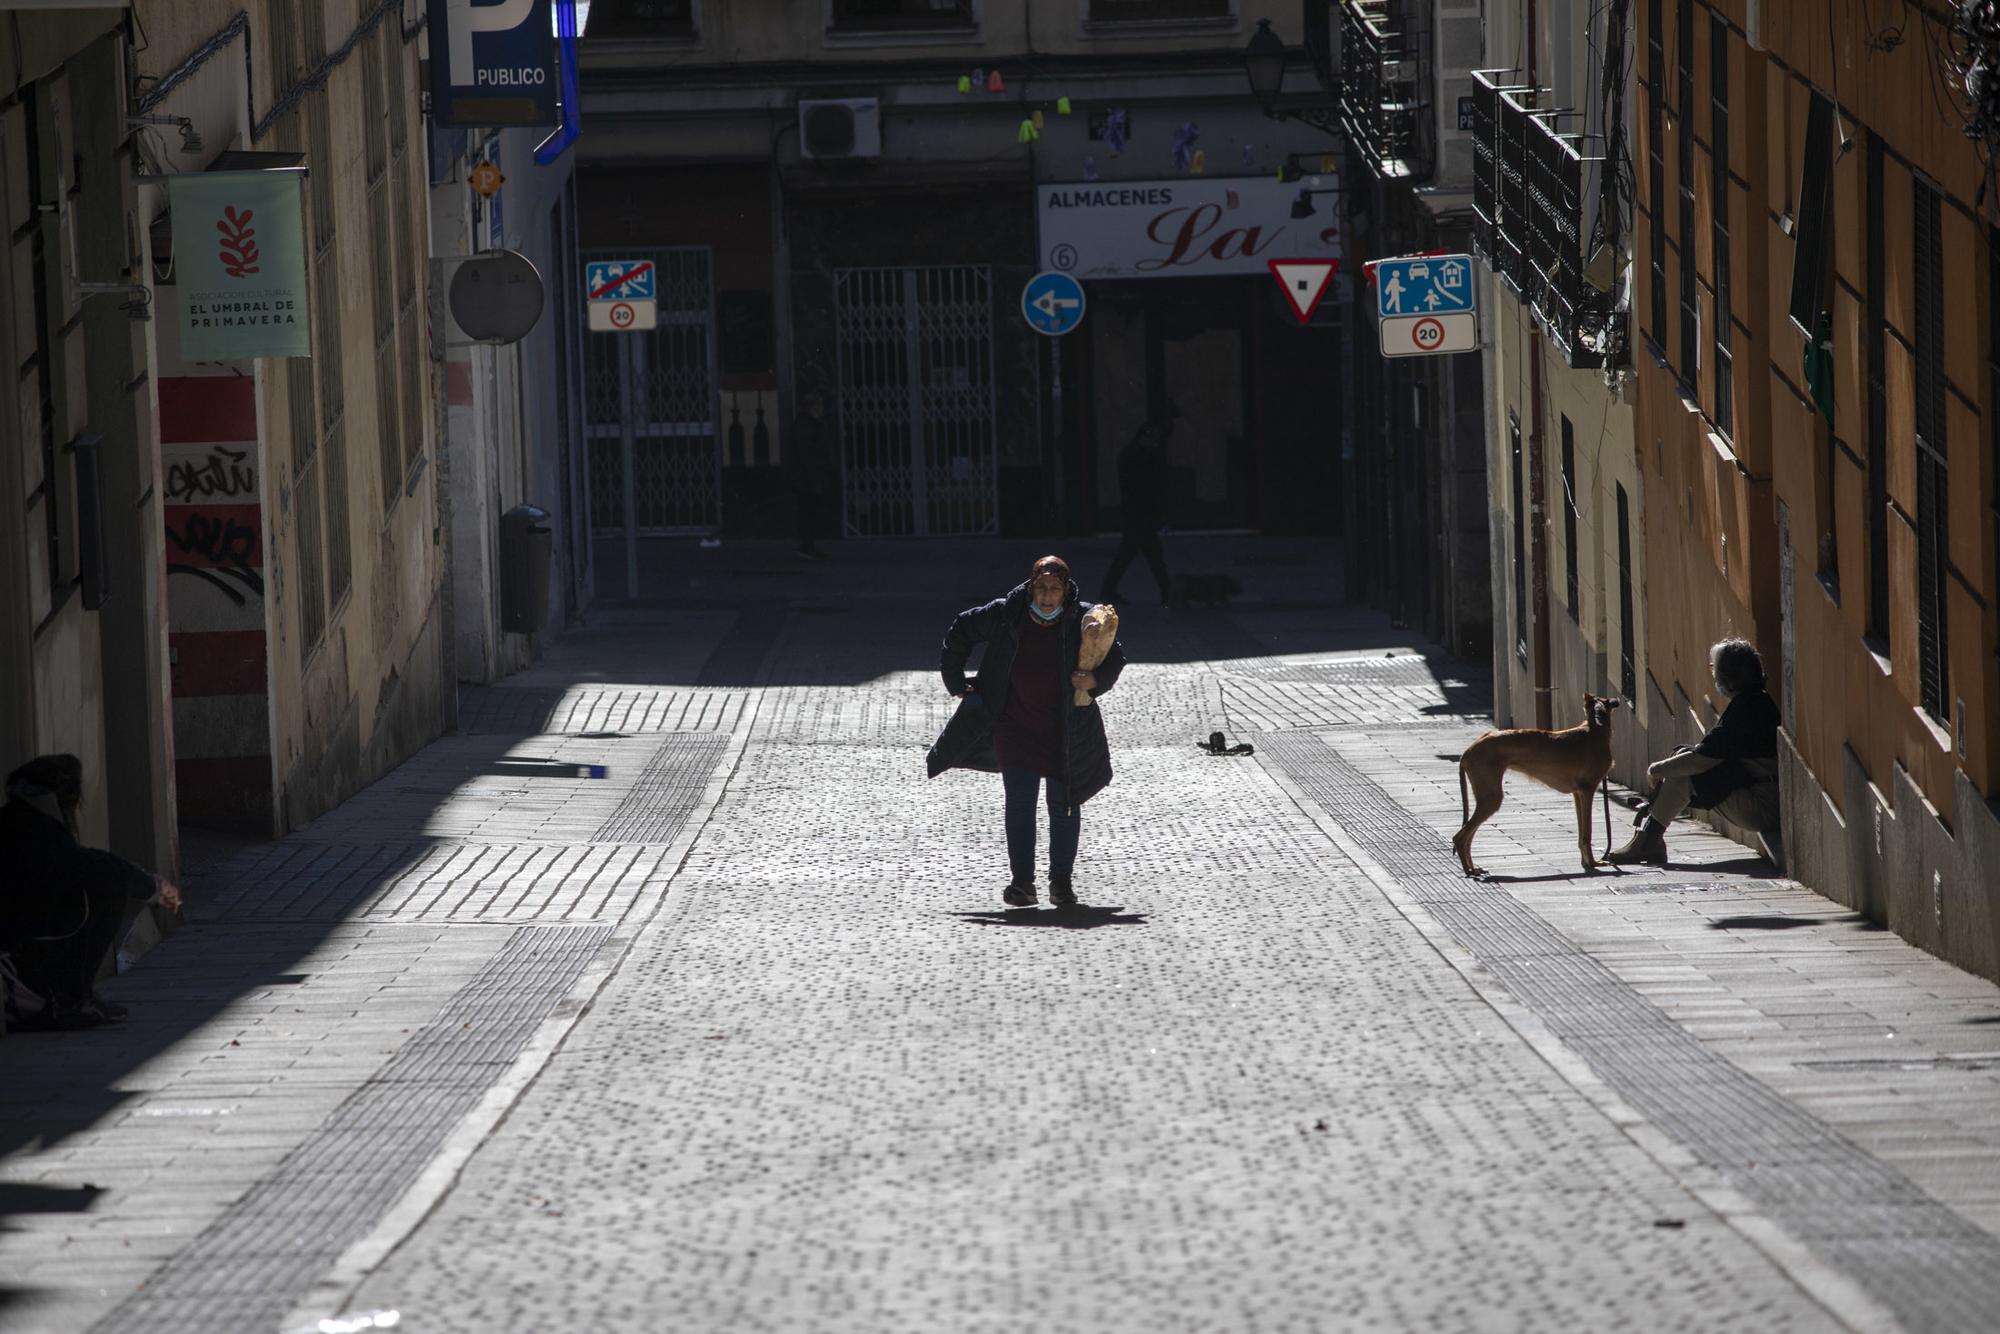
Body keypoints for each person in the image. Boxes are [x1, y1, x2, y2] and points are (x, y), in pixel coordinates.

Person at [927, 555, 1127, 907]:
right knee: (1019, 803)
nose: (1047, 596)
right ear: (1031, 587)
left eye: (1055, 589)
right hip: (1014, 725)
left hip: (1064, 728)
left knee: (1064, 804)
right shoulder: (1007, 613)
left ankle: (1061, 884)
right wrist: (956, 681)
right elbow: (961, 630)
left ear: (1066, 591)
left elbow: (1115, 656)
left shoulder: (1083, 619)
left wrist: (1095, 680)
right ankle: (1022, 884)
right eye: (1041, 588)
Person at [0, 754, 180, 1029]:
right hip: (18, 957)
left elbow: (82, 859)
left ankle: (72, 996)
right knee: (107, 888)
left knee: (107, 878)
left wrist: (143, 880)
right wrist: (151, 886)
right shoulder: (30, 829)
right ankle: (69, 1000)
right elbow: (84, 865)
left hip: (23, 947)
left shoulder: (25, 823)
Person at [1607, 639, 1781, 866]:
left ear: (1729, 676)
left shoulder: (1747, 710)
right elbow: (1711, 751)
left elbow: (1703, 759)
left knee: (1682, 775)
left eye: (1715, 670)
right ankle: (1649, 836)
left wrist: (1655, 770)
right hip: (1760, 794)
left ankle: (1649, 840)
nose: (1714, 677)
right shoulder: (1754, 702)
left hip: (1762, 806)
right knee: (1681, 759)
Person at [1100, 413, 1174, 608]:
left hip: (1137, 515)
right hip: (1140, 515)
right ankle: (1167, 592)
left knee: (1135, 554)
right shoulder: (1138, 458)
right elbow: (1145, 488)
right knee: (1150, 556)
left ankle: (1109, 590)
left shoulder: (1134, 456)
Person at [787, 388, 836, 561]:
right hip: (807, 478)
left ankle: (808, 546)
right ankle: (807, 547)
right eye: (820, 404)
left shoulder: (810, 423)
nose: (823, 407)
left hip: (809, 476)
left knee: (809, 511)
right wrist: (814, 476)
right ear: (813, 406)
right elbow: (805, 453)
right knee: (808, 511)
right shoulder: (805, 425)